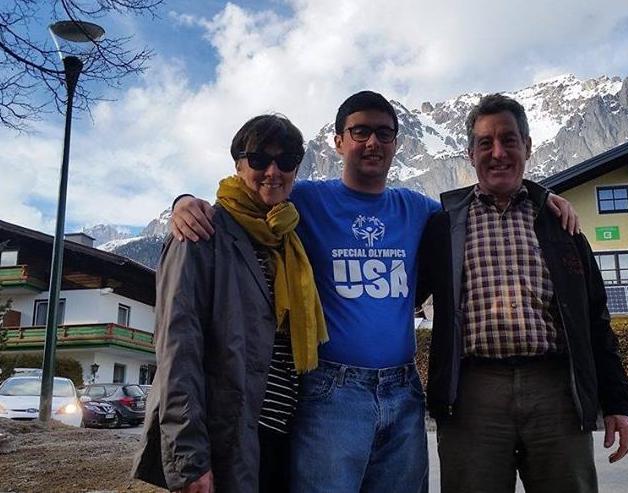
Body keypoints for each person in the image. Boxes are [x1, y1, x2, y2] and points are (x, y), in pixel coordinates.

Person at [170, 91, 581, 492]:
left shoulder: (420, 210)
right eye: (360, 131)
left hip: (403, 391)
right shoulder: (306, 198)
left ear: (396, 143)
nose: (372, 142)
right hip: (331, 391)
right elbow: (251, 192)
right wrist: (185, 201)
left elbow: (486, 203)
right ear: (337, 142)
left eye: (384, 133)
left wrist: (544, 198)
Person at [417, 93, 628, 493]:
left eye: (509, 140)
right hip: (472, 394)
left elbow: (595, 319)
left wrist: (618, 404)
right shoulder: (442, 227)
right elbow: (404, 298)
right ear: (470, 154)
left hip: (556, 391)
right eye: (485, 143)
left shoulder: (560, 224)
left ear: (528, 147)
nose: (497, 152)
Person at [132, 114, 327, 493]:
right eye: (259, 159)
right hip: (227, 441)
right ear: (238, 164)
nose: (273, 171)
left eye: (286, 161)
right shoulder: (200, 232)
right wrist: (190, 459)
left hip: (282, 437)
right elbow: (177, 350)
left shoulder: (288, 238)